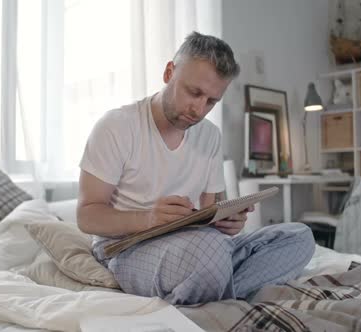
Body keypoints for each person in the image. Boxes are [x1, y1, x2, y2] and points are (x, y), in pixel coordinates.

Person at [77, 31, 315, 305]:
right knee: (210, 252)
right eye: (194, 93)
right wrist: (149, 218)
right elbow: (87, 216)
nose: (200, 110)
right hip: (127, 248)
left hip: (195, 246)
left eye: (211, 101)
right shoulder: (117, 126)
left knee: (299, 236)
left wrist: (229, 221)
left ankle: (216, 293)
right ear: (169, 72)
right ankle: (221, 296)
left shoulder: (210, 136)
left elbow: (207, 212)